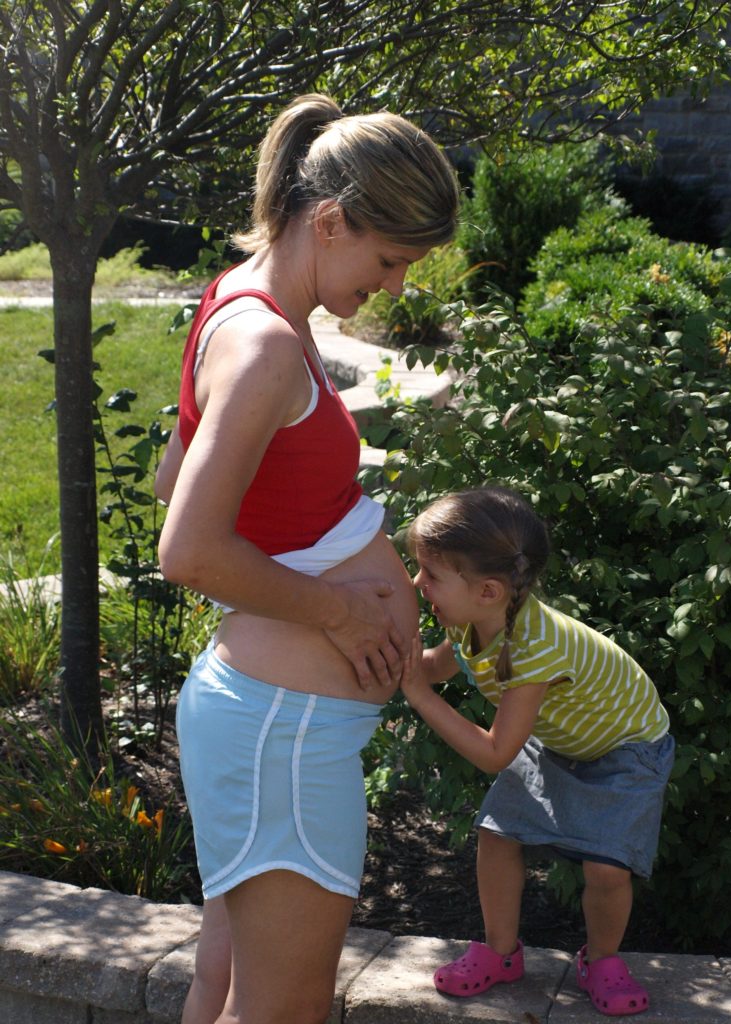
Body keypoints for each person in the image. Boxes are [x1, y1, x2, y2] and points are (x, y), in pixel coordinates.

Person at [154, 93, 459, 1024]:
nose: (397, 286)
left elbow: (175, 475)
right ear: (329, 221)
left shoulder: (241, 304)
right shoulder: (267, 345)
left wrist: (326, 550)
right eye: (391, 260)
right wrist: (338, 607)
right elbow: (187, 546)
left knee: (226, 992)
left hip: (270, 723)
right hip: (282, 731)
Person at [400, 486, 674, 1017]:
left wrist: (416, 694)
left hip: (627, 748)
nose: (417, 582)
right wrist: (397, 663)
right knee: (497, 834)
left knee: (607, 868)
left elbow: (495, 753)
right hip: (561, 739)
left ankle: (602, 960)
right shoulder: (471, 621)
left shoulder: (534, 647)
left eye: (430, 574)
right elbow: (431, 666)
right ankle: (502, 954)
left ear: (488, 591)